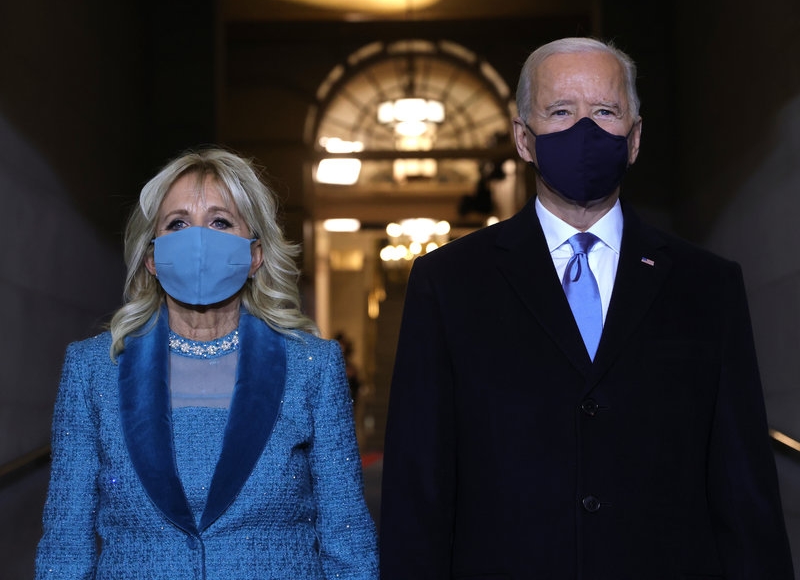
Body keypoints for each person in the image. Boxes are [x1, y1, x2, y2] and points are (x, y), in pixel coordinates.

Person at [380, 37, 794, 579]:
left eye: (604, 111)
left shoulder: (707, 286)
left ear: (635, 137)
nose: (584, 130)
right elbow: (419, 486)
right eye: (560, 111)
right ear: (523, 139)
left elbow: (744, 489)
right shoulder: (449, 282)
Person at [35, 148, 378, 579]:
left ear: (255, 255)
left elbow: (348, 542)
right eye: (177, 223)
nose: (198, 240)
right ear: (152, 258)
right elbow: (65, 548)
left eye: (220, 222)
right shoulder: (93, 370)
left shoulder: (313, 367)